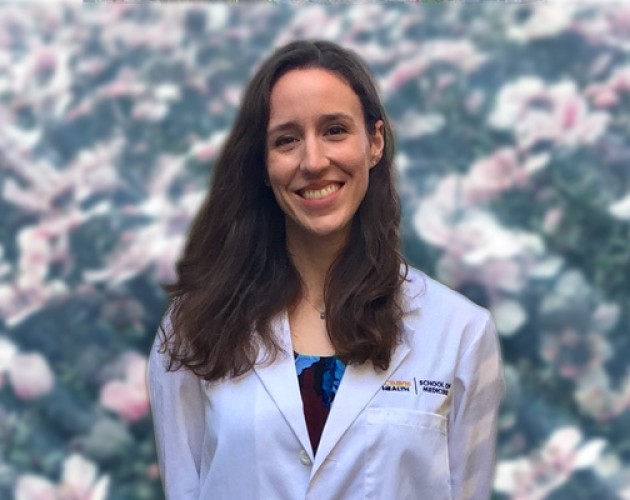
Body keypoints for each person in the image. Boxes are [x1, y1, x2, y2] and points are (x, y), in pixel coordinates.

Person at [147, 39, 504, 500]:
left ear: (374, 142)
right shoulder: (191, 331)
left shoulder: (460, 334)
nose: (313, 162)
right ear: (262, 161)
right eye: (286, 140)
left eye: (335, 130)